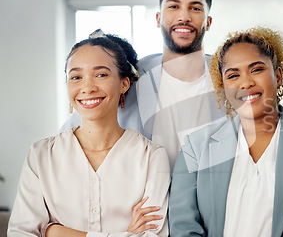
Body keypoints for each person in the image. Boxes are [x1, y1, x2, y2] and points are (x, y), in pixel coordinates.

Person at [168, 27, 283, 237]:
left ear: (278, 76)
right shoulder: (195, 147)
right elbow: (184, 228)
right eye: (233, 75)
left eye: (256, 70)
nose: (246, 83)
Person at [8, 32, 170, 236]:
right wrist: (125, 234)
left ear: (124, 84)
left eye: (101, 74)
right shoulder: (40, 155)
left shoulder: (151, 157)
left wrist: (54, 232)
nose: (87, 87)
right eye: (76, 77)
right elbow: (21, 233)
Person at [61, 0, 225, 170]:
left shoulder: (228, 78)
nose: (184, 16)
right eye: (173, 6)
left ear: (208, 22)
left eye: (195, 8)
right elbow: (71, 137)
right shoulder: (131, 78)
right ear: (158, 18)